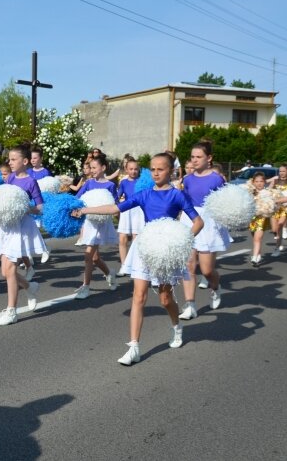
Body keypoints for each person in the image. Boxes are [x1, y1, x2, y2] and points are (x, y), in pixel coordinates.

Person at [73, 152, 203, 365]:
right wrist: (84, 209)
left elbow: (198, 222)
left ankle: (176, 326)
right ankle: (134, 347)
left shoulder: (177, 195)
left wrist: (179, 240)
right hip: (146, 247)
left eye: (160, 169)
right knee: (138, 296)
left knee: (165, 299)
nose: (156, 173)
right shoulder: (144, 194)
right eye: (152, 169)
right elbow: (115, 208)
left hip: (165, 251)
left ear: (170, 171)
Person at [0, 145, 46, 326]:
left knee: (11, 270)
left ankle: (11, 311)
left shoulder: (31, 182)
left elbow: (40, 208)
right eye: (9, 159)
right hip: (7, 227)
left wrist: (25, 208)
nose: (10, 162)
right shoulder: (11, 177)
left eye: (13, 159)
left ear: (25, 161)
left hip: (20, 228)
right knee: (5, 272)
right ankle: (31, 287)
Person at [178, 141, 231, 320]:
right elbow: (184, 202)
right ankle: (190, 305)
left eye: (198, 157)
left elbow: (225, 202)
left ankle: (215, 288)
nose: (194, 160)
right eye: (192, 157)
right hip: (190, 219)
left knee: (207, 270)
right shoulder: (187, 179)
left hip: (209, 222)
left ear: (209, 158)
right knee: (189, 265)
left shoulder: (217, 179)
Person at [74, 154, 119, 299]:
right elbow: (78, 198)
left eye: (94, 167)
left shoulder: (110, 185)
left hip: (101, 223)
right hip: (89, 222)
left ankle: (86, 287)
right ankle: (109, 273)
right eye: (90, 168)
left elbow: (115, 204)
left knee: (88, 255)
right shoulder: (88, 183)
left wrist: (119, 216)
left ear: (103, 168)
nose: (91, 170)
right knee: (94, 258)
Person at [116, 158, 144, 275]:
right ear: (126, 170)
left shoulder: (143, 181)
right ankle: (123, 265)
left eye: (136, 169)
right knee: (122, 238)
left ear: (139, 170)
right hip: (127, 210)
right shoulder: (123, 182)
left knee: (135, 239)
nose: (133, 171)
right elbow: (118, 196)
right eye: (131, 169)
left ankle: (134, 264)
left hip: (138, 211)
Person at [247, 172, 273, 266]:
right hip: (252, 218)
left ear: (264, 182)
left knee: (257, 238)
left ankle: (254, 257)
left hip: (262, 217)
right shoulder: (250, 192)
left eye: (261, 181)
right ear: (253, 182)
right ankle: (258, 254)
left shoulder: (267, 192)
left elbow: (271, 206)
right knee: (255, 237)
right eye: (256, 181)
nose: (259, 183)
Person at [269, 163, 287, 253]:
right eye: (280, 171)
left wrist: (285, 199)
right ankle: (280, 243)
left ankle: (277, 248)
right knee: (275, 229)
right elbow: (269, 190)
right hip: (275, 207)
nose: (281, 173)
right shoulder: (275, 180)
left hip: (285, 208)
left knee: (280, 224)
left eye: (283, 171)